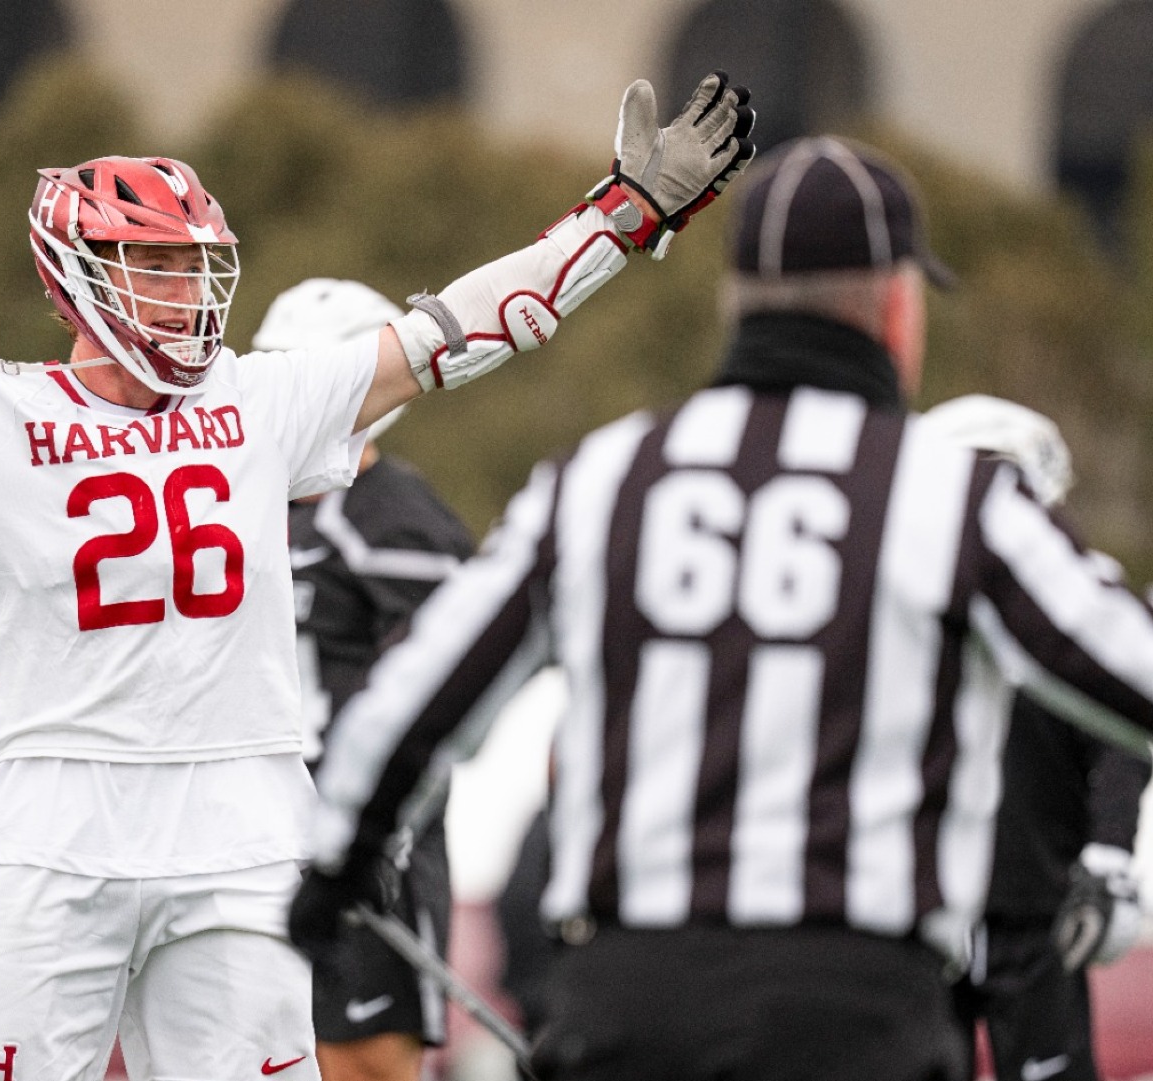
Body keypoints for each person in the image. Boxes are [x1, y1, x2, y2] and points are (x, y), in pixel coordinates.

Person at [0, 75, 754, 1080]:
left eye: (197, 266)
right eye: (159, 267)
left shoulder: (262, 393)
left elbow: (465, 331)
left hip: (240, 824)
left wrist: (620, 217)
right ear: (73, 273)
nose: (192, 292)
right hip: (55, 828)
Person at [289, 136, 1153, 1081]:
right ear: (900, 308)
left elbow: (407, 703)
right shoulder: (950, 494)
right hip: (856, 1008)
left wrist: (331, 876)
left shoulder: (604, 475)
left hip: (631, 999)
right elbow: (1129, 664)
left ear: (731, 302)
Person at [253, 279, 475, 1081]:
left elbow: (452, 688)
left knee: (363, 1063)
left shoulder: (392, 515)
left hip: (366, 844)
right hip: (259, 835)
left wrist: (377, 821)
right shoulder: (259, 507)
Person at [924, 394, 1149, 1081]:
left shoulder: (1074, 604)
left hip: (1034, 902)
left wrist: (1108, 852)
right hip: (918, 905)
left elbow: (1118, 735)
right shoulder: (892, 606)